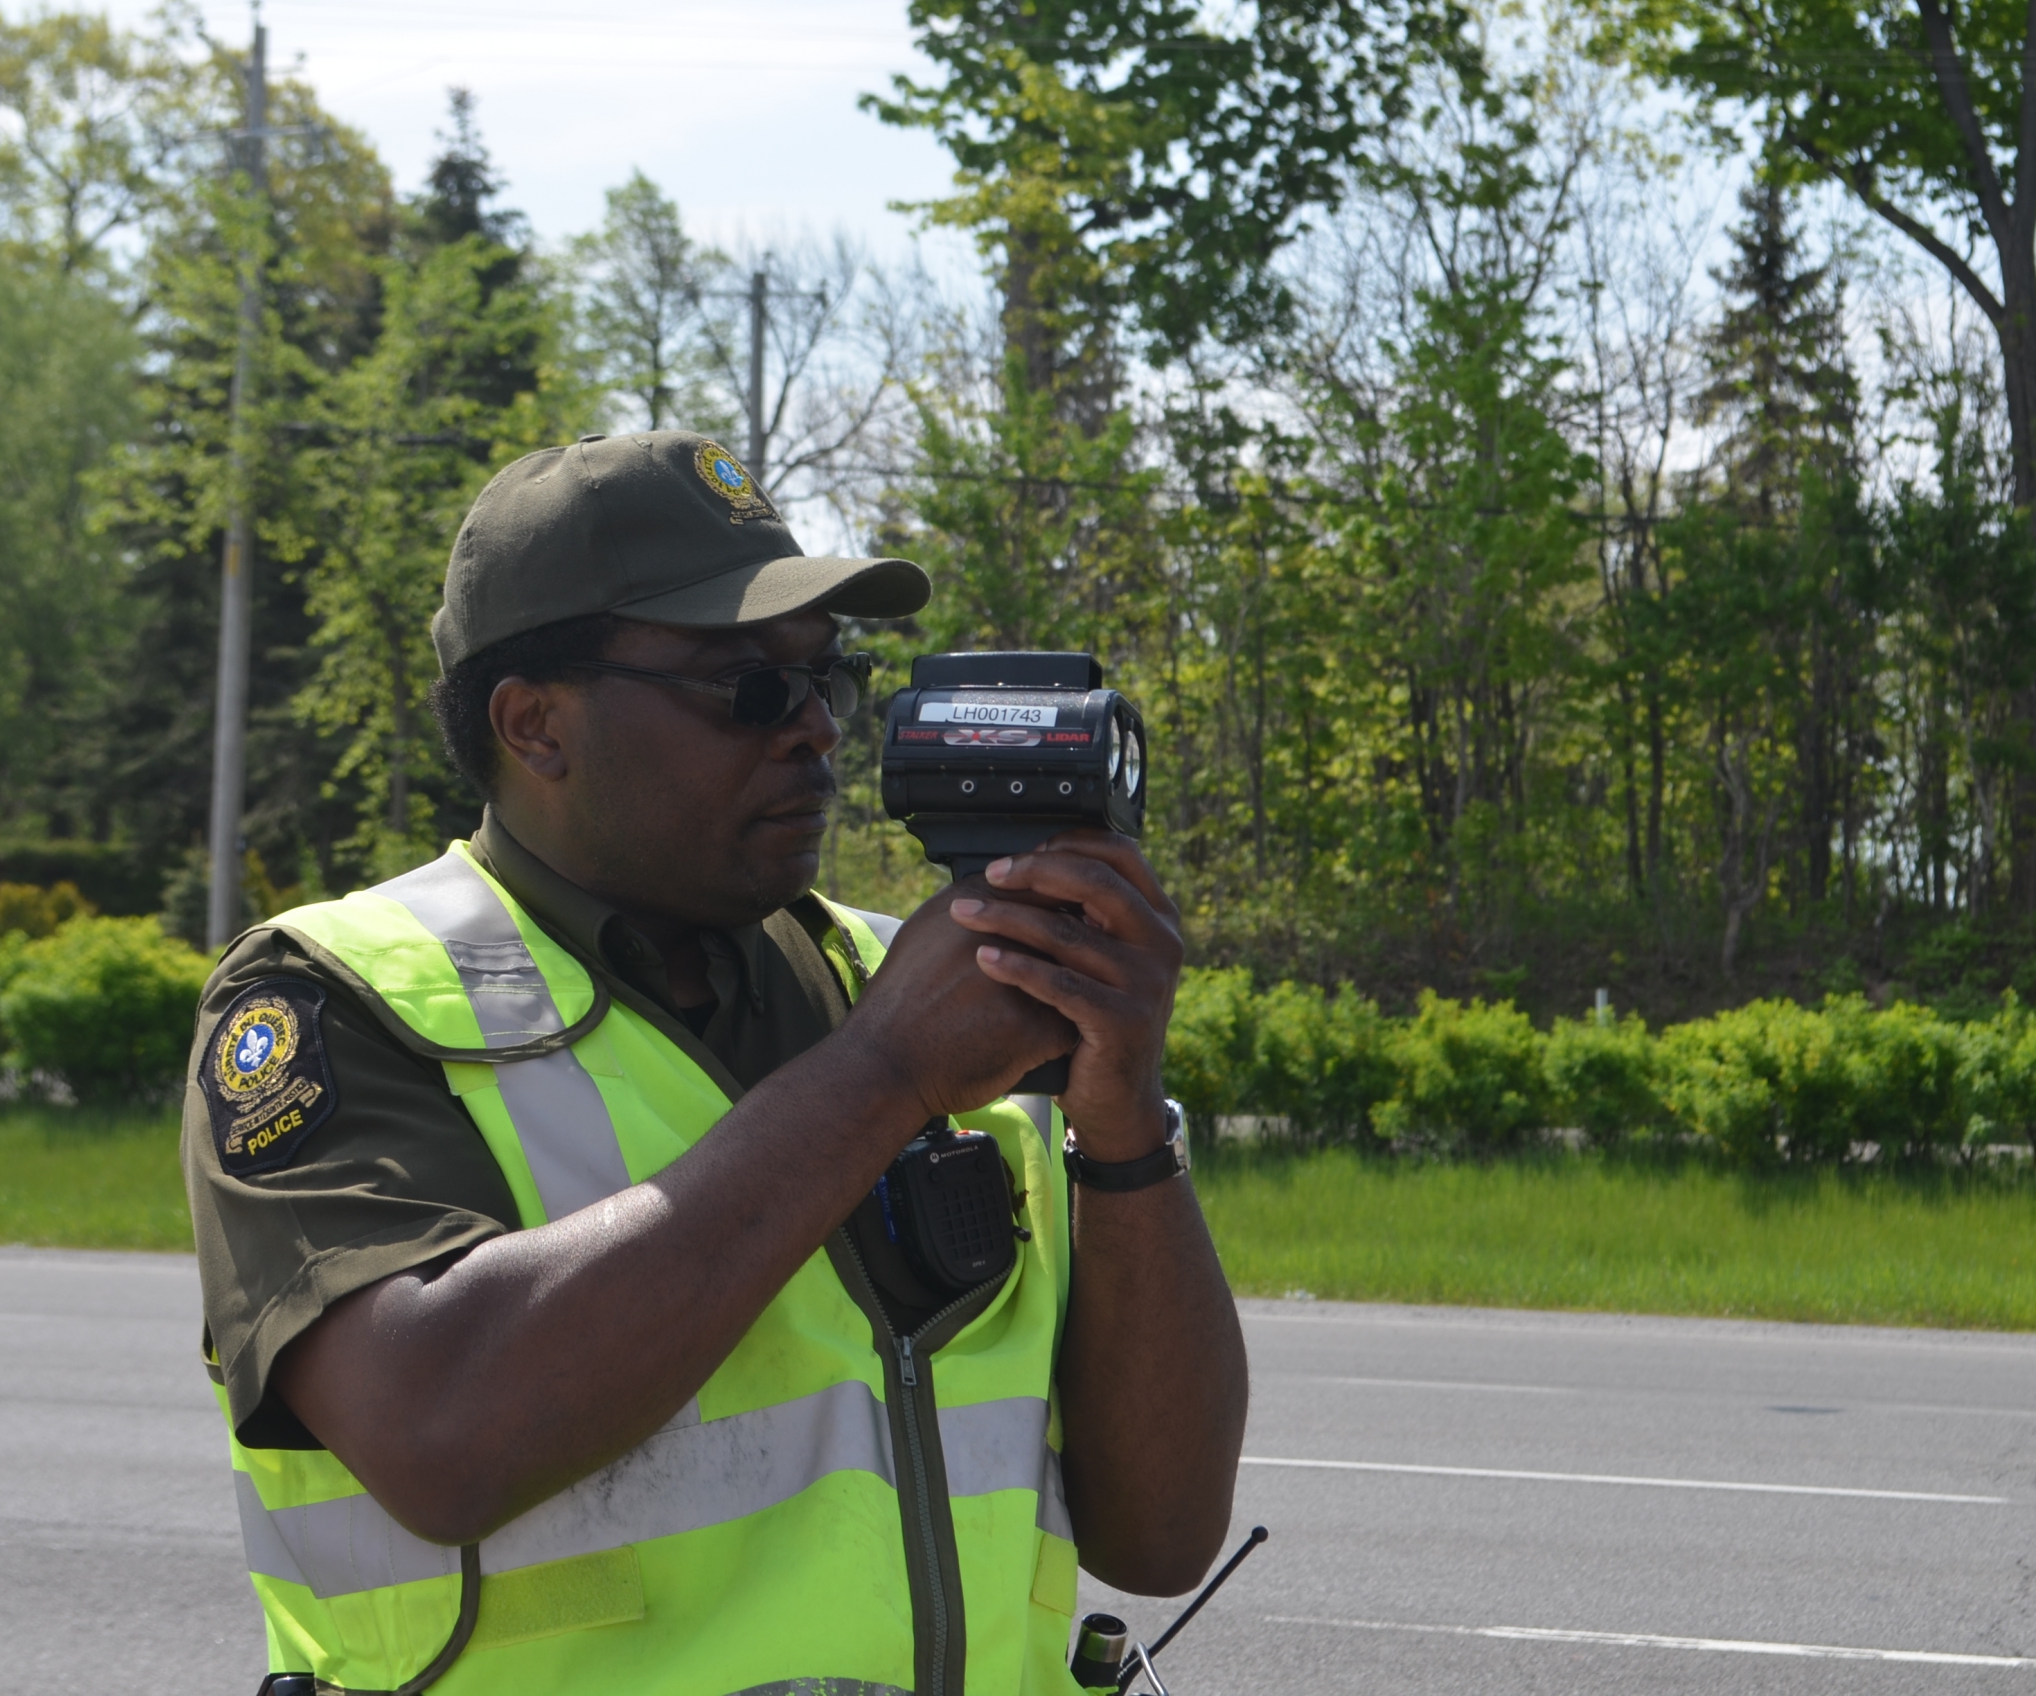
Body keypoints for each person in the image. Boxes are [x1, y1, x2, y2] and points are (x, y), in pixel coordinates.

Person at [182, 429, 1248, 1696]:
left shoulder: (911, 987)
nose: (815, 730)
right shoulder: (334, 996)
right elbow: (441, 1434)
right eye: (747, 687)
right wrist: (881, 1078)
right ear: (535, 725)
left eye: (825, 677)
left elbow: (1160, 1535)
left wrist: (1124, 1129)